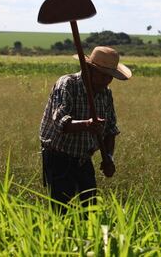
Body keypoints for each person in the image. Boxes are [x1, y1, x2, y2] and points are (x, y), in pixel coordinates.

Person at [39, 46, 131, 213]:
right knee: (61, 211)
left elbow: (110, 129)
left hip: (83, 159)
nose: (106, 81)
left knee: (90, 210)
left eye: (109, 76)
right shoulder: (67, 84)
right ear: (88, 69)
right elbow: (60, 122)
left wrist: (108, 157)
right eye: (102, 75)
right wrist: (87, 124)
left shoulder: (106, 93)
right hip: (58, 157)